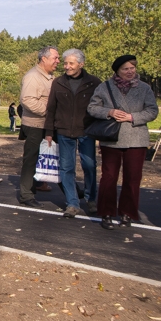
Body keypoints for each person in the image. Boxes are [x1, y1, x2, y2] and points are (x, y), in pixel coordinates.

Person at [88, 55, 158, 230]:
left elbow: (152, 110)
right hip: (112, 139)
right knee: (109, 177)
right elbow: (92, 108)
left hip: (136, 138)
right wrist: (109, 112)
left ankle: (128, 213)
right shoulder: (104, 87)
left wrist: (132, 117)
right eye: (125, 69)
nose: (130, 71)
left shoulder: (144, 88)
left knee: (132, 179)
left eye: (132, 68)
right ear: (117, 71)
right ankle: (106, 213)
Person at [44, 49, 101, 217]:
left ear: (81, 64)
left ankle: (91, 199)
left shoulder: (94, 83)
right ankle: (72, 203)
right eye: (65, 63)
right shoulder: (58, 82)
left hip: (87, 131)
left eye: (71, 63)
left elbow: (100, 107)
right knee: (66, 168)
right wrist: (49, 131)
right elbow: (51, 108)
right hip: (63, 132)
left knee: (89, 166)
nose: (67, 66)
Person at [18, 46, 60, 207]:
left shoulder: (50, 77)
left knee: (54, 157)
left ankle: (73, 192)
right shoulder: (33, 77)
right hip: (35, 125)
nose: (58, 61)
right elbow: (27, 100)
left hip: (47, 124)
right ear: (44, 59)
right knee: (31, 159)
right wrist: (49, 113)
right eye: (55, 58)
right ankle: (26, 194)